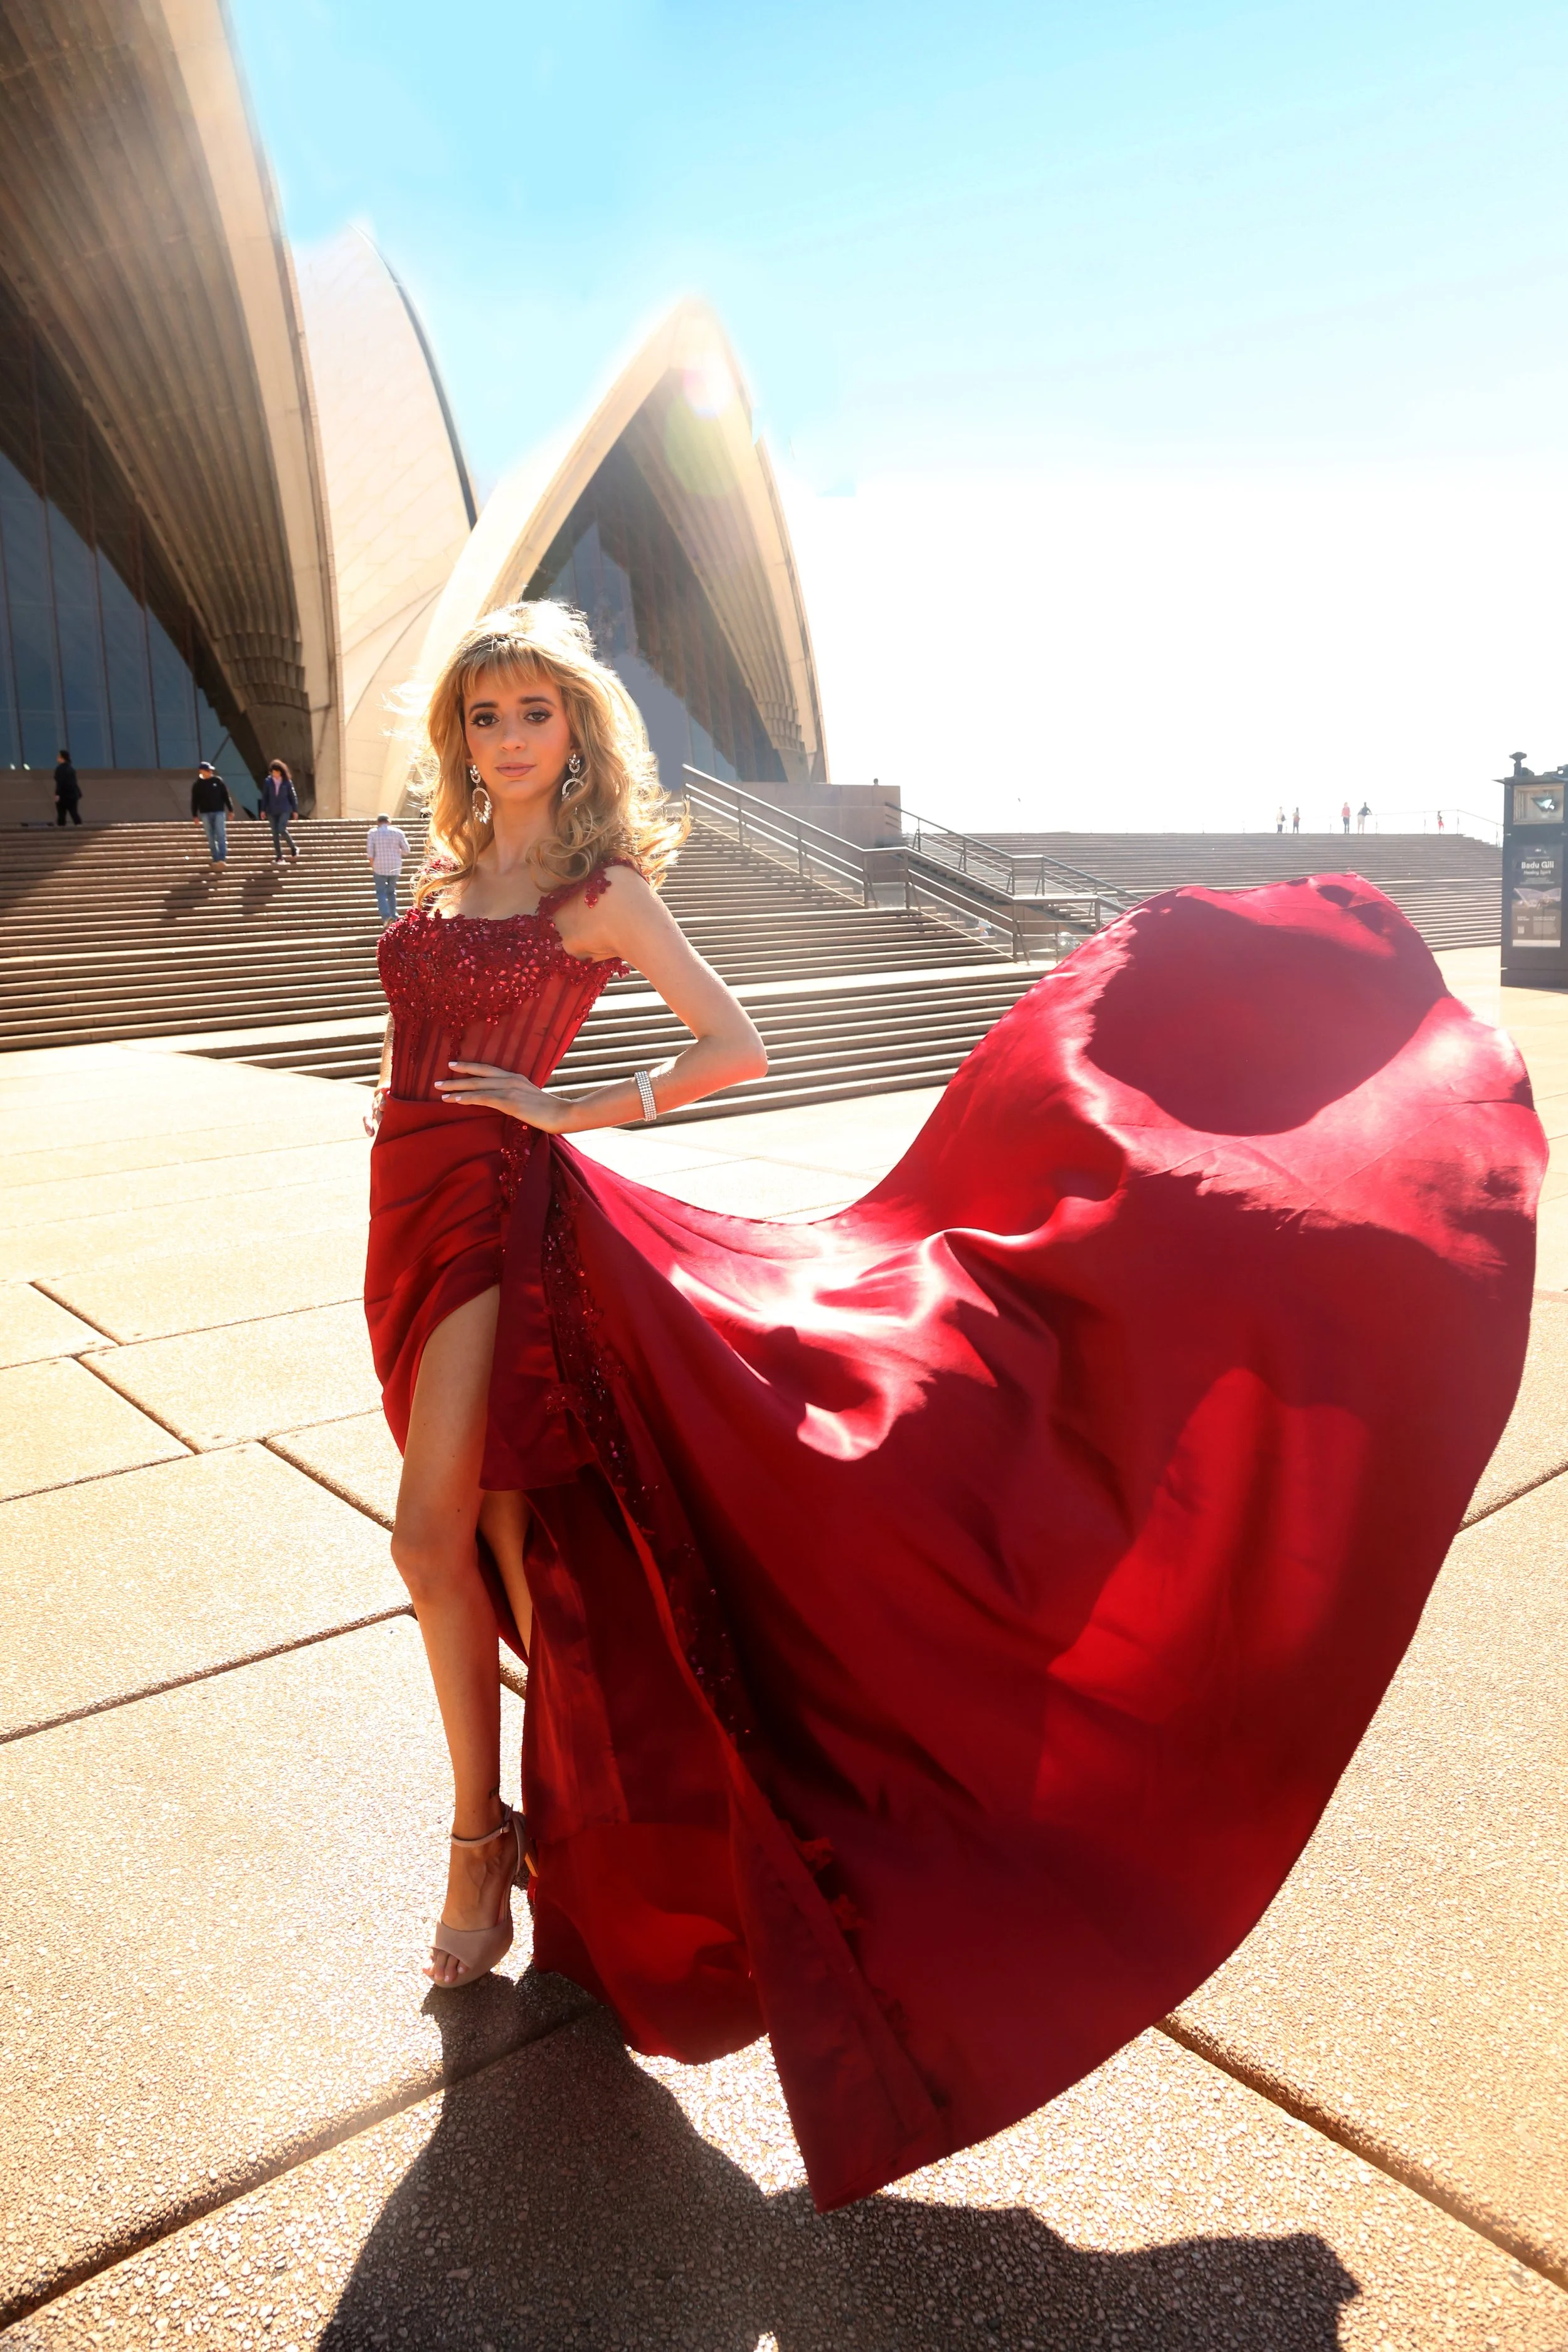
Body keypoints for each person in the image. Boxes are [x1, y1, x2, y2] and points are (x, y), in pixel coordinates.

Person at [362, 598, 1543, 2215]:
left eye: (533, 713)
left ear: (576, 732)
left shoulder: (597, 894)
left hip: (507, 1206)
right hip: (404, 1201)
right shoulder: (440, 881)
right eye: (484, 713)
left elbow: (736, 1041)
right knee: (498, 1550)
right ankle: (531, 1834)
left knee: (429, 1532)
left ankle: (476, 1838)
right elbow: (405, 1048)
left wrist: (576, 1104)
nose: (506, 738)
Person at [367, 812, 412, 922]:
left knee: (381, 892)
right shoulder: (398, 832)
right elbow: (407, 851)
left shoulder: (373, 833)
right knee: (392, 892)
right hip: (395, 866)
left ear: (378, 822)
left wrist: (372, 865)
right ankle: (394, 916)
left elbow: (370, 852)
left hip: (379, 866)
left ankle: (386, 917)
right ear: (389, 822)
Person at [191, 761, 235, 871]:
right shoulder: (198, 785)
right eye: (208, 770)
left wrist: (231, 810)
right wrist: (195, 815)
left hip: (219, 812)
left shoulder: (218, 781)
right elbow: (194, 801)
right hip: (205, 813)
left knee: (221, 834)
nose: (210, 772)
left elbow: (226, 796)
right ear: (202, 771)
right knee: (210, 837)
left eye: (210, 770)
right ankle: (215, 858)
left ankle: (222, 858)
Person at [258, 759, 300, 864]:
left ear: (281, 771)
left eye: (276, 772)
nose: (274, 774)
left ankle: (294, 848)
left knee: (281, 829)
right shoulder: (268, 782)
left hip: (284, 809)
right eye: (273, 772)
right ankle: (279, 857)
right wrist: (263, 810)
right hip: (272, 811)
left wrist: (295, 810)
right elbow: (265, 796)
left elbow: (292, 796)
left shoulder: (287, 782)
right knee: (275, 833)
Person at [53, 750, 81, 827]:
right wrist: (79, 793)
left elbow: (60, 783)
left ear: (62, 758)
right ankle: (80, 828)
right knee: (74, 813)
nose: (57, 758)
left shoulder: (60, 769)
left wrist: (57, 794)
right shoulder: (71, 768)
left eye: (59, 756)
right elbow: (74, 783)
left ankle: (61, 832)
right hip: (72, 795)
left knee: (61, 815)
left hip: (63, 796)